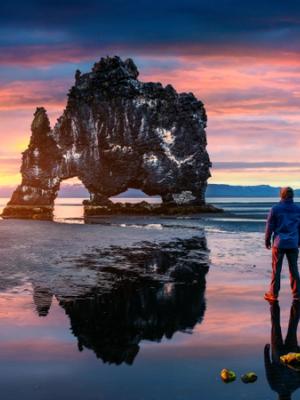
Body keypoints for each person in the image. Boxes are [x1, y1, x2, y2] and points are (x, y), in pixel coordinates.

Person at [265, 187, 300, 302]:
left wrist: (267, 240)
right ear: (292, 196)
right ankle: (297, 294)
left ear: (282, 196)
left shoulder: (275, 209)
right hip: (293, 243)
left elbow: (269, 226)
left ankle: (274, 294)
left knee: (276, 269)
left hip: (279, 243)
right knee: (294, 269)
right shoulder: (297, 209)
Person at [264, 301, 300, 399]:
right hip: (278, 354)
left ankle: (297, 302)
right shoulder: (274, 386)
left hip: (292, 352)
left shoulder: (296, 385)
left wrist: (299, 350)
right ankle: (273, 302)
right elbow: (268, 369)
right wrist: (266, 352)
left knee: (293, 326)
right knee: (275, 326)